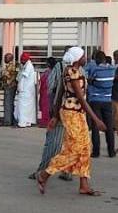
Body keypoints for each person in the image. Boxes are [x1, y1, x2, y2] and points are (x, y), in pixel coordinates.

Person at [37, 47, 107, 196]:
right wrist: (96, 120)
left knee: (86, 147)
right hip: (71, 113)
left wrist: (55, 115)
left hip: (77, 113)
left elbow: (60, 93)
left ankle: (84, 184)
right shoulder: (73, 73)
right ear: (77, 58)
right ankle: (45, 174)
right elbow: (80, 99)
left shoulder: (72, 71)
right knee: (75, 148)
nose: (86, 57)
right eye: (83, 55)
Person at [29, 52, 72, 182]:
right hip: (74, 114)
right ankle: (67, 171)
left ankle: (41, 171)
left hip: (60, 111)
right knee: (68, 143)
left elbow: (52, 86)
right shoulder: (80, 70)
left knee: (52, 143)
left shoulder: (59, 68)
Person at [87, 51, 116, 157]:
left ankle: (96, 152)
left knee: (95, 126)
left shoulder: (96, 70)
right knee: (109, 126)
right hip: (108, 100)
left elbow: (90, 80)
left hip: (95, 99)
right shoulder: (112, 69)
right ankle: (111, 151)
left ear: (97, 60)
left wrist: (91, 81)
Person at [16, 53, 37, 128]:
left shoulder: (28, 65)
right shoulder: (25, 65)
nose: (21, 62)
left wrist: (19, 88)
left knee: (23, 107)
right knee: (26, 107)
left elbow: (24, 76)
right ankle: (26, 122)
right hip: (26, 90)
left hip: (26, 90)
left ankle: (23, 123)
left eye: (22, 60)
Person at [1, 53, 18, 126]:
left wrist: (6, 82)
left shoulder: (12, 66)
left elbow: (13, 77)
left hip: (10, 87)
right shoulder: (8, 66)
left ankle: (7, 121)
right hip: (7, 86)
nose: (4, 59)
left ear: (10, 58)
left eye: (6, 57)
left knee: (8, 104)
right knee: (7, 103)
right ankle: (9, 120)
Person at [39, 58, 56, 128]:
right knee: (49, 106)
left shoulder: (47, 73)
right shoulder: (54, 72)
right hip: (49, 91)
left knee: (45, 107)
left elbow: (42, 81)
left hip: (46, 91)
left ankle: (45, 122)